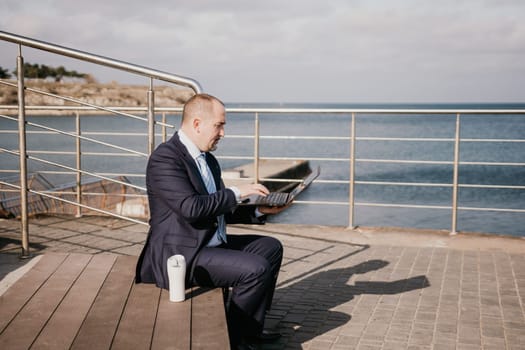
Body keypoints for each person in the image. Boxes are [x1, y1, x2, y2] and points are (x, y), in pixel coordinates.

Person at [135, 93, 286, 350]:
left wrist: (260, 211)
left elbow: (218, 210)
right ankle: (234, 340)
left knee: (270, 248)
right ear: (197, 124)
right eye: (219, 125)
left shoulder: (208, 160)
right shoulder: (165, 159)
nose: (223, 133)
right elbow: (190, 208)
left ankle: (250, 330)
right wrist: (238, 191)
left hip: (207, 243)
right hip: (181, 254)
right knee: (255, 269)